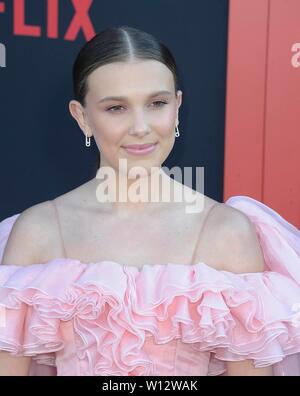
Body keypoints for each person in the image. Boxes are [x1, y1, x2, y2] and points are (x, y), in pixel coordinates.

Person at [0, 25, 300, 376]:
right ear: (82, 117)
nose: (141, 127)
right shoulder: (39, 231)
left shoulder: (225, 232)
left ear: (177, 107)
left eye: (157, 103)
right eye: (116, 108)